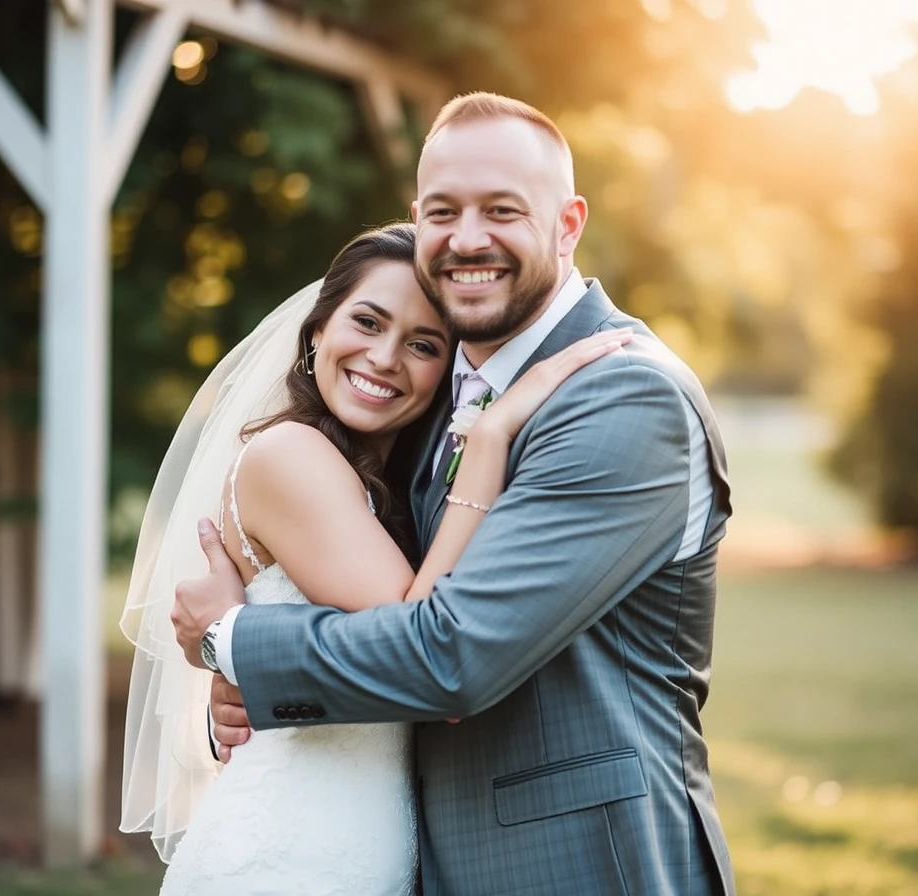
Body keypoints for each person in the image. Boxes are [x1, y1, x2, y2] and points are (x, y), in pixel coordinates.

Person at [173, 92, 737, 896]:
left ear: (568, 224)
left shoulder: (622, 397)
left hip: (578, 867)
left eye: (502, 210)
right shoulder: (431, 393)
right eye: (444, 211)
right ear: (418, 220)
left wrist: (234, 642)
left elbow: (449, 658)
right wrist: (241, 693)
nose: (468, 238)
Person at [119, 221, 630, 892]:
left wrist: (231, 649)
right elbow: (420, 650)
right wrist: (490, 435)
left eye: (422, 344)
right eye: (367, 322)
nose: (385, 357)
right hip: (286, 857)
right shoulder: (290, 455)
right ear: (317, 332)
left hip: (361, 847)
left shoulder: (395, 484)